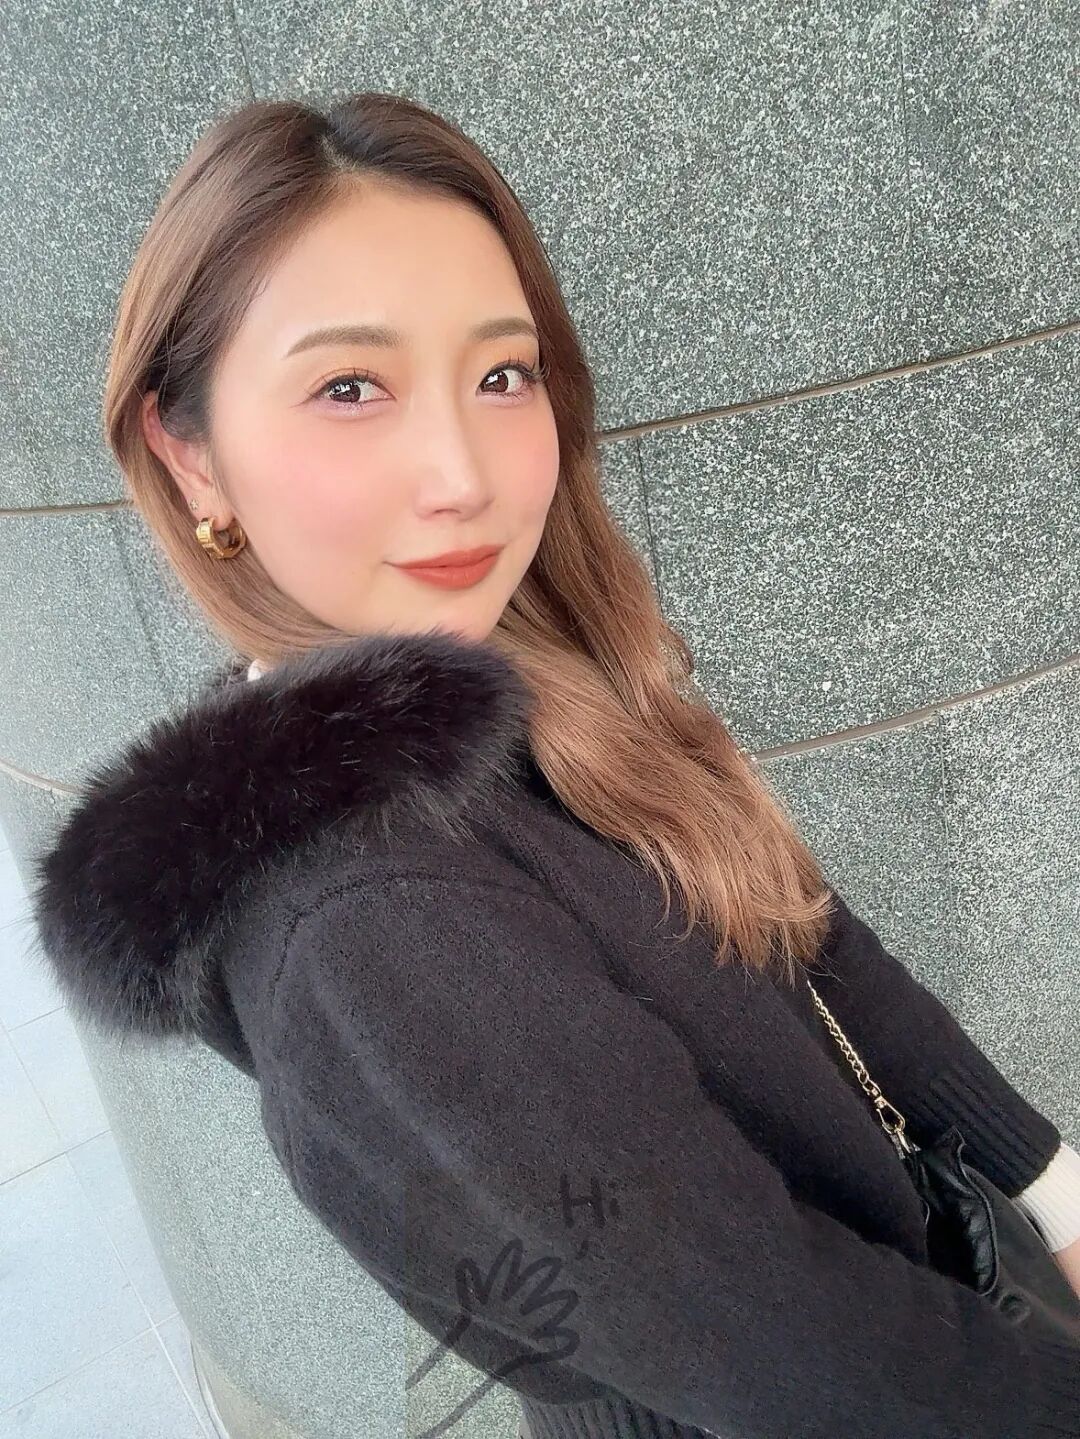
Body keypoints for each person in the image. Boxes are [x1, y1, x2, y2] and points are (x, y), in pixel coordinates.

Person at [26, 92, 1080, 1439]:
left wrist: (1046, 1187)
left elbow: (794, 928)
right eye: (349, 388)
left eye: (501, 375)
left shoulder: (512, 682)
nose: (463, 472)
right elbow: (790, 1349)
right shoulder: (371, 917)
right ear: (191, 458)